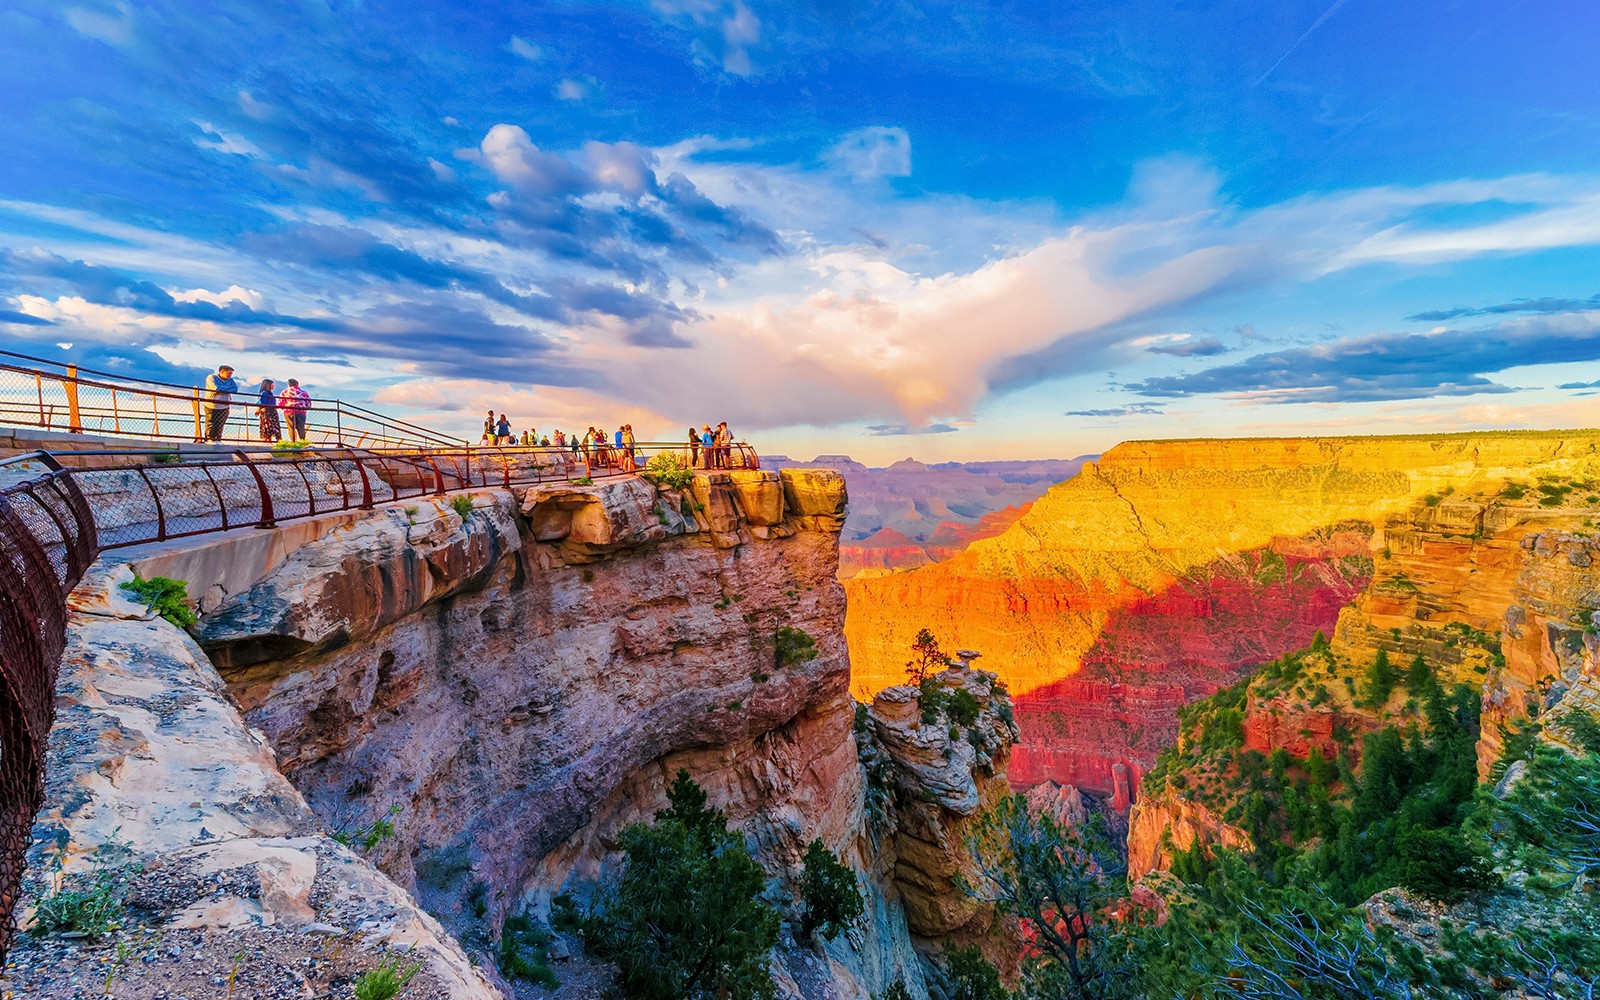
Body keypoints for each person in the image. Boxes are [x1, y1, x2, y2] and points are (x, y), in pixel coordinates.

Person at [256, 379, 281, 443]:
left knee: (271, 426)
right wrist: (261, 408)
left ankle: (269, 440)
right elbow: (261, 402)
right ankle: (267, 441)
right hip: (268, 411)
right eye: (272, 384)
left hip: (272, 411)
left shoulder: (270, 393)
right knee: (268, 426)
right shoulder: (265, 393)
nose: (273, 386)